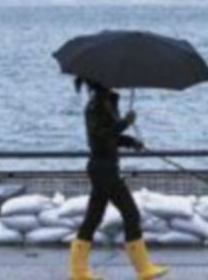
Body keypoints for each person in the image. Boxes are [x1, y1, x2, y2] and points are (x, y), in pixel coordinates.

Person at [68, 77, 168, 280]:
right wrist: (125, 123)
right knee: (131, 214)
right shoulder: (96, 106)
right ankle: (143, 269)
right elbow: (100, 137)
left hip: (104, 168)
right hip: (103, 169)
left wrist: (131, 142)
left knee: (93, 218)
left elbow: (111, 137)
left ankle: (78, 271)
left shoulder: (106, 102)